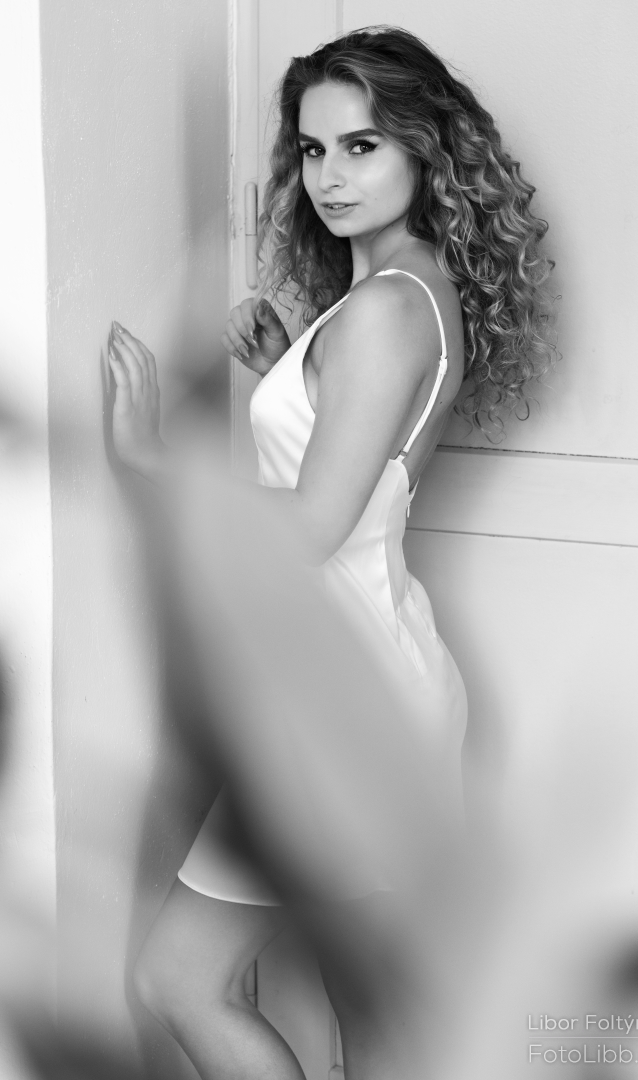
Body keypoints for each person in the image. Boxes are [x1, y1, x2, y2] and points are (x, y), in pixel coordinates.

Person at [108, 25, 553, 1080]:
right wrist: (288, 375)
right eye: (312, 150)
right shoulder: (400, 294)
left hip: (342, 701)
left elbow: (312, 525)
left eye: (362, 146)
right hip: (354, 683)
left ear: (423, 151)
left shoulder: (386, 312)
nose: (328, 177)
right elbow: (359, 467)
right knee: (370, 1023)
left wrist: (150, 461)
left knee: (187, 981)